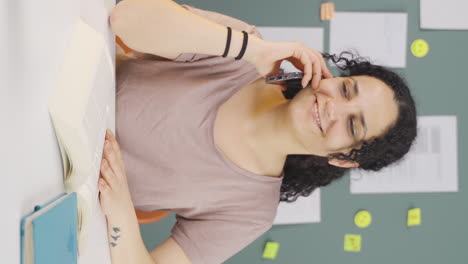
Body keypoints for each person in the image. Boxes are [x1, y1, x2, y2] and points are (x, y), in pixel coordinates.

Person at [98, 0, 417, 264]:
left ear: (345, 159)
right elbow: (126, 18)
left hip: (70, 184)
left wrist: (120, 212)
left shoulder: (250, 212)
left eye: (352, 125)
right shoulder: (244, 52)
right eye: (347, 90)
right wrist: (249, 48)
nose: (334, 108)